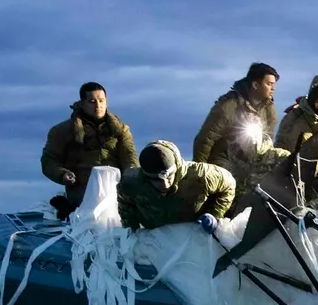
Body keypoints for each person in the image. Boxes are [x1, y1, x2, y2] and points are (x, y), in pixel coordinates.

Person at [191, 62, 282, 214]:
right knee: (226, 189)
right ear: (255, 84)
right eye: (269, 83)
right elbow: (205, 139)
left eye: (274, 84)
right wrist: (199, 174)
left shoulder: (269, 109)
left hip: (251, 160)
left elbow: (268, 139)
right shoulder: (228, 106)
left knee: (279, 161)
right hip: (224, 158)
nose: (273, 88)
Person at [41, 82, 139, 214]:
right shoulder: (62, 131)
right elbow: (49, 161)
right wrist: (63, 174)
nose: (98, 106)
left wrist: (132, 174)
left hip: (116, 189)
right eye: (92, 101)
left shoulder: (120, 130)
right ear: (82, 103)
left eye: (101, 101)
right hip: (82, 190)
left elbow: (129, 157)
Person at [118, 140, 236, 231]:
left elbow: (229, 185)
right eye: (157, 180)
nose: (165, 184)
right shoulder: (131, 182)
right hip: (156, 237)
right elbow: (125, 203)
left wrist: (214, 214)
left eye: (169, 177)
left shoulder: (201, 176)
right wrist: (132, 230)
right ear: (146, 177)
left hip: (195, 233)